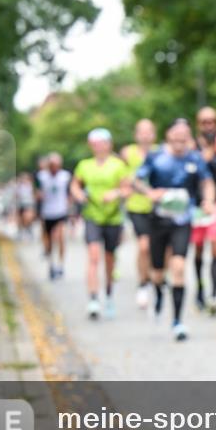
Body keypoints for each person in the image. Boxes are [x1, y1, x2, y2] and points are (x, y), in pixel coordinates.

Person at [134, 120, 216, 341]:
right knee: (158, 271)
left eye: (184, 137)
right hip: (158, 220)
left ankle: (177, 321)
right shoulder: (155, 157)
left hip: (183, 220)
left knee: (178, 267)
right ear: (168, 135)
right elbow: (137, 180)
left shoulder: (194, 158)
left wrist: (208, 200)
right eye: (176, 137)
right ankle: (158, 289)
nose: (180, 142)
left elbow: (207, 182)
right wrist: (150, 192)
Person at [70, 128, 133, 321]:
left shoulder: (118, 165)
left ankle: (109, 293)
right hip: (92, 216)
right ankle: (93, 299)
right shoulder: (84, 165)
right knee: (93, 256)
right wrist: (78, 194)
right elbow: (75, 184)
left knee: (109, 259)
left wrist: (114, 194)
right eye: (94, 143)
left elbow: (127, 189)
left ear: (109, 144)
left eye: (102, 142)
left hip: (113, 218)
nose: (98, 146)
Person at [192, 106, 216, 314]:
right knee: (198, 249)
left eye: (212, 121)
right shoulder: (192, 147)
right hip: (197, 205)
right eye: (204, 122)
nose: (209, 126)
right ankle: (199, 288)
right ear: (198, 124)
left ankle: (214, 294)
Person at [122, 119, 158, 309]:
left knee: (158, 248)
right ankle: (142, 283)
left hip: (158, 206)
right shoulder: (128, 153)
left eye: (148, 131)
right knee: (144, 246)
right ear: (136, 135)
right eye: (141, 132)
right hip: (136, 206)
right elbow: (122, 177)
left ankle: (156, 277)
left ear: (154, 134)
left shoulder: (161, 151)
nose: (145, 135)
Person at [36, 153, 72, 280]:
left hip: (61, 212)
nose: (54, 168)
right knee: (49, 241)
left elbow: (69, 193)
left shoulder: (65, 176)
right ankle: (51, 265)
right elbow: (36, 193)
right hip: (47, 213)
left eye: (56, 165)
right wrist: (39, 196)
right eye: (51, 165)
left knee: (60, 237)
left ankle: (61, 265)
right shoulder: (41, 177)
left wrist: (70, 209)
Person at [15, 172, 36, 241]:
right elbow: (16, 195)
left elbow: (34, 195)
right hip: (21, 204)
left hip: (29, 204)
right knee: (20, 219)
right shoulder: (19, 186)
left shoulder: (31, 186)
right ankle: (20, 232)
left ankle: (29, 231)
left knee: (28, 218)